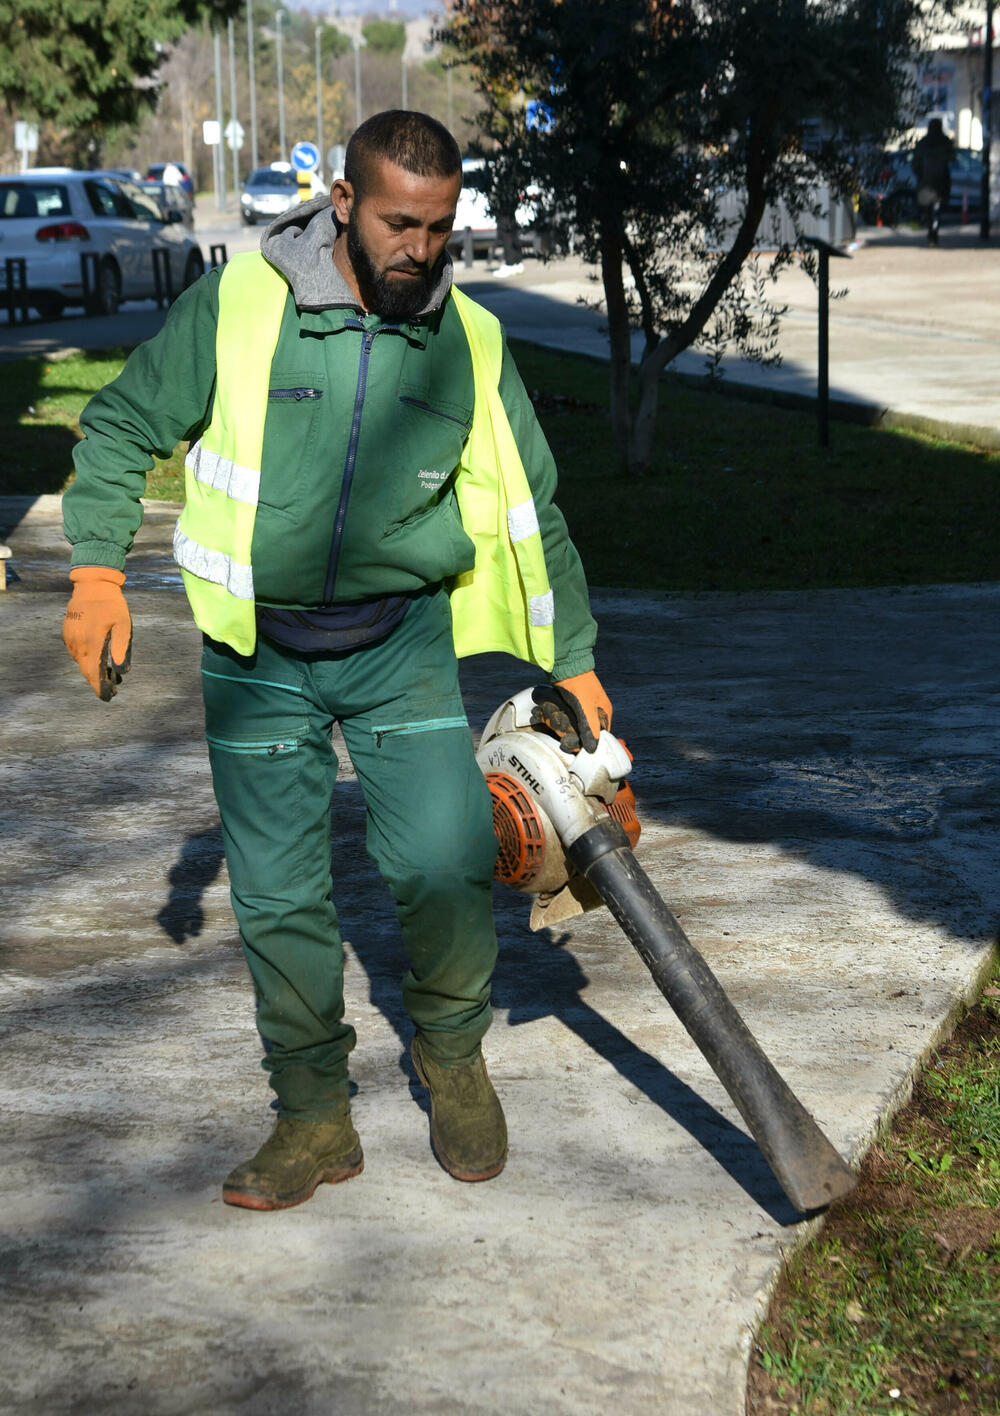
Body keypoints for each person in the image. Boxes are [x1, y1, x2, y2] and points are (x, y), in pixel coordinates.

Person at [61, 111, 612, 1212]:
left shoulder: (469, 338)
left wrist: (576, 656)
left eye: (440, 227)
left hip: (399, 641)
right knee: (279, 899)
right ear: (345, 204)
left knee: (445, 863)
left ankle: (451, 1054)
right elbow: (121, 425)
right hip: (255, 650)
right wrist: (95, 573)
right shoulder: (241, 304)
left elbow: (530, 504)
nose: (422, 249)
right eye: (401, 224)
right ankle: (313, 1114)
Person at [912, 118, 954, 247]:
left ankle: (931, 230)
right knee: (937, 207)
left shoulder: (923, 142)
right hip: (941, 179)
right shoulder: (945, 141)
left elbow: (915, 162)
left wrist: (920, 174)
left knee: (927, 208)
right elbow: (952, 157)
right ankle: (934, 231)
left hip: (926, 179)